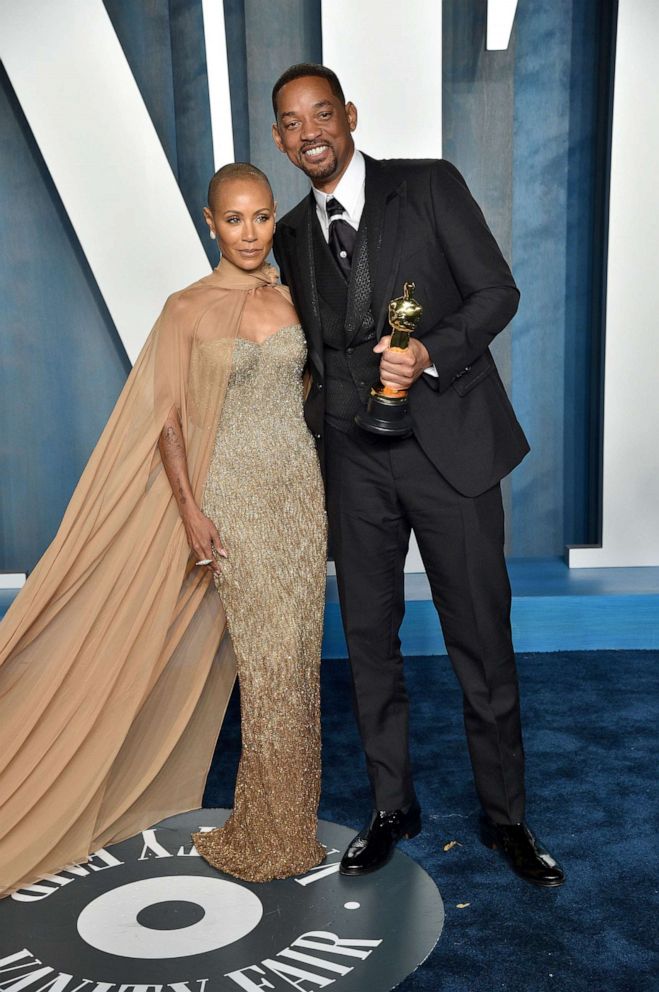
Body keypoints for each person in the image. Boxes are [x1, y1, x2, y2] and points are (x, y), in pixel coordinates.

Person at [271, 63, 564, 887]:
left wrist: (429, 351)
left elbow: (496, 292)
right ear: (278, 138)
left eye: (321, 114)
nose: (309, 134)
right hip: (353, 462)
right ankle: (391, 807)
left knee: (479, 640)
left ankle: (506, 818)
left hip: (450, 450)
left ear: (349, 115)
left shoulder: (428, 186)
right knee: (368, 644)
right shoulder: (293, 232)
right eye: (292, 124)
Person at [0, 163, 326, 895]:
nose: (250, 233)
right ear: (209, 223)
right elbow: (168, 420)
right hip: (232, 498)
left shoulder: (296, 297)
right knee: (267, 664)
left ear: (275, 219)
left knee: (296, 660)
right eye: (234, 219)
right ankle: (269, 832)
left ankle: (285, 826)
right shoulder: (186, 308)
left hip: (300, 500)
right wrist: (189, 509)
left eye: (262, 216)